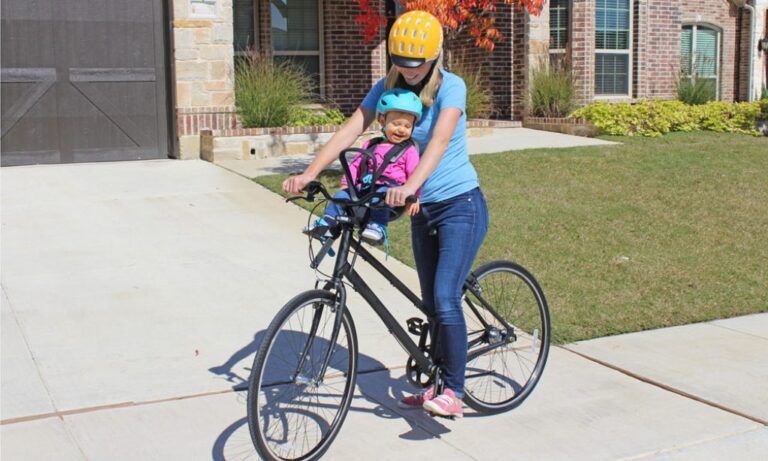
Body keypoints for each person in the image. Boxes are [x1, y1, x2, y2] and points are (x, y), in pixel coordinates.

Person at [284, 10, 488, 418]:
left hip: (458, 205)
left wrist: (412, 184)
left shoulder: (453, 87)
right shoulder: (388, 86)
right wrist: (309, 172)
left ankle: (455, 392)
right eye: (401, 63)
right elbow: (351, 129)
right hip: (417, 210)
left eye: (417, 65)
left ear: (434, 58)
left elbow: (441, 139)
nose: (408, 72)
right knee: (430, 301)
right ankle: (436, 379)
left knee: (446, 299)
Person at [306, 89, 422, 245]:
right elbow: (355, 165)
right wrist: (347, 184)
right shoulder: (371, 144)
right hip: (364, 189)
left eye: (407, 126)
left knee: (381, 194)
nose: (401, 129)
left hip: (390, 192)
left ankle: (377, 226)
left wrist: (414, 197)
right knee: (341, 196)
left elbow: (416, 174)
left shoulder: (409, 150)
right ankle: (328, 224)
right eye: (396, 124)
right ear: (382, 121)